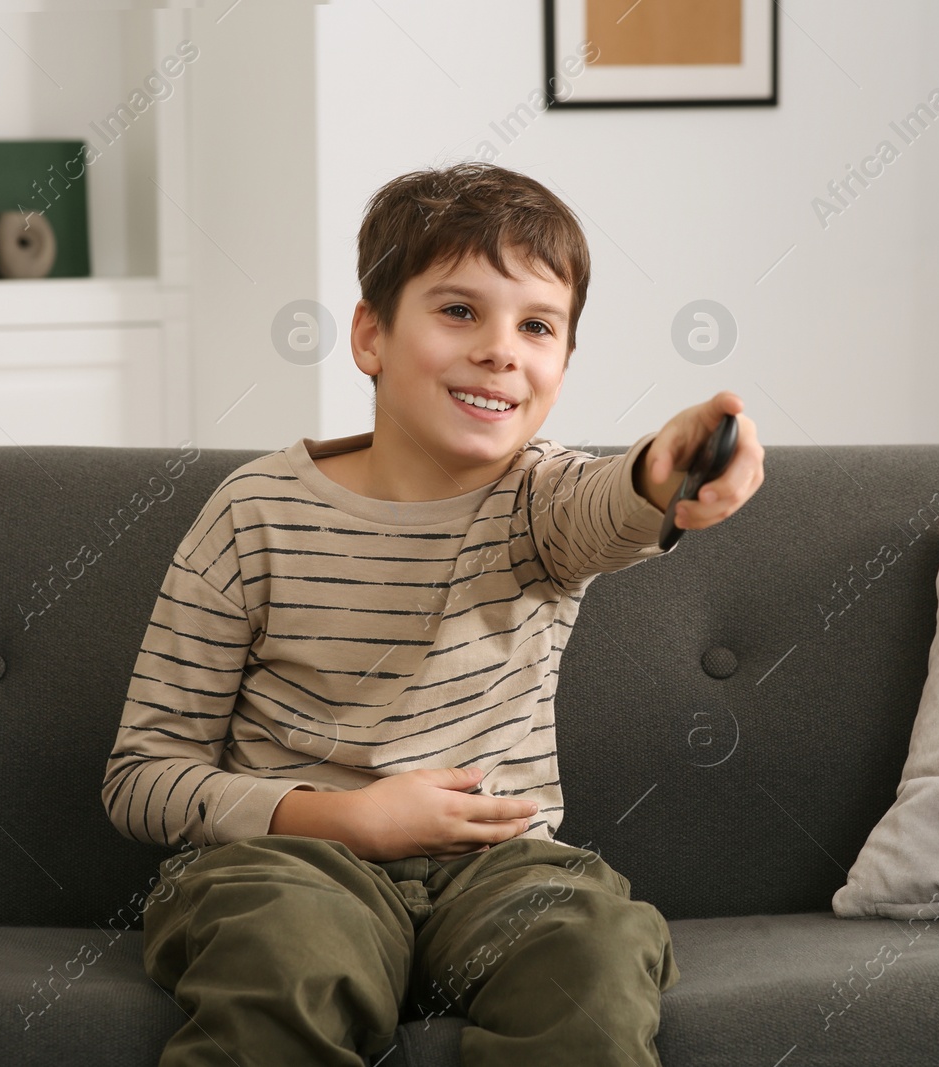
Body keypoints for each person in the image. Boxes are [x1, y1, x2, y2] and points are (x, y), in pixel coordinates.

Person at [101, 161, 764, 1067]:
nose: (501, 349)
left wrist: (666, 466)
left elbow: (613, 502)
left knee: (597, 952)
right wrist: (351, 820)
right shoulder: (253, 511)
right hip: (291, 869)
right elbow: (142, 775)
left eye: (537, 325)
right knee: (285, 957)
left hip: (502, 874)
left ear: (562, 366)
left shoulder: (540, 500)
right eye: (459, 311)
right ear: (370, 335)